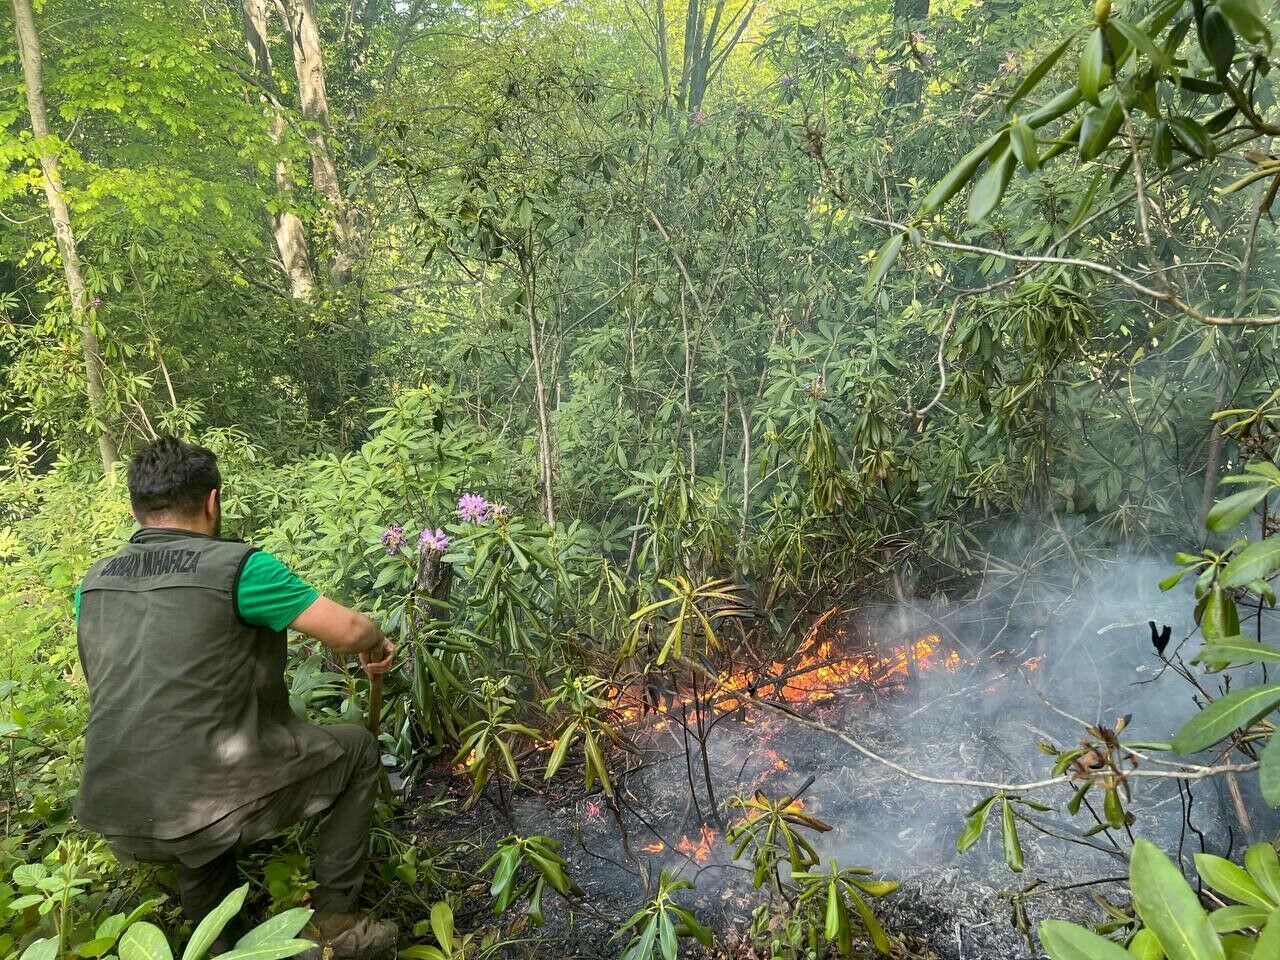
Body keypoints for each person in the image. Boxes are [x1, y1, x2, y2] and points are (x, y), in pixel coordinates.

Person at [74, 437, 398, 958]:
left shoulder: (90, 584)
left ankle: (218, 942)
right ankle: (334, 924)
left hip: (116, 810)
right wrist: (378, 642)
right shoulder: (240, 569)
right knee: (357, 748)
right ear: (212, 501)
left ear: (136, 510)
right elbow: (349, 631)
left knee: (196, 791)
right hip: (198, 803)